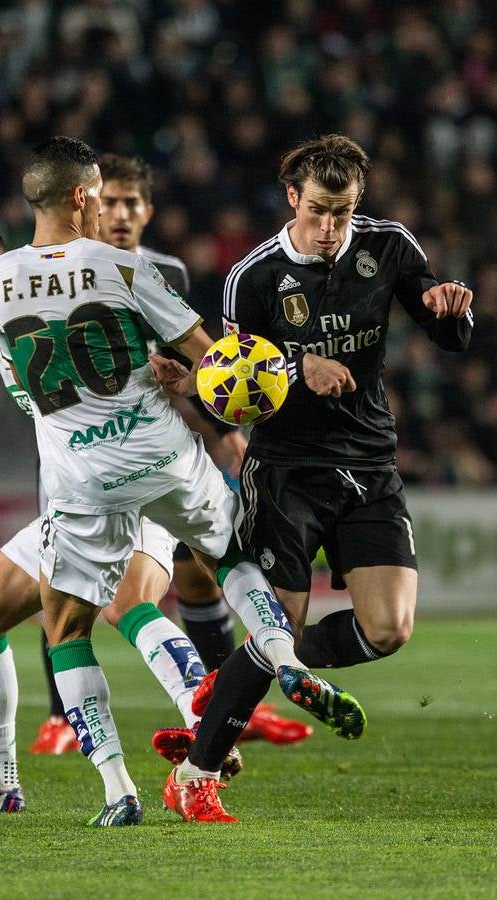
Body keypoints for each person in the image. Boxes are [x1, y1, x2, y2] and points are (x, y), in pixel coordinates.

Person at [0, 136, 366, 824]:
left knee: (66, 630)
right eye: (98, 192)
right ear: (79, 197)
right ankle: (287, 663)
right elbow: (213, 357)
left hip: (78, 477)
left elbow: (23, 385)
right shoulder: (121, 267)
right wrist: (258, 375)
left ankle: (116, 792)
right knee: (234, 558)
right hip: (161, 454)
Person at [172, 132, 474, 809]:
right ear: (291, 199)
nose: (331, 227)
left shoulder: (389, 244)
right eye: (317, 211)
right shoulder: (252, 277)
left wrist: (451, 311)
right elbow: (224, 383)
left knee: (388, 629)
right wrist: (294, 368)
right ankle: (197, 774)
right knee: (280, 615)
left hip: (369, 458)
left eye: (343, 211)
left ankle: (246, 673)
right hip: (286, 466)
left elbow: (446, 333)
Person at [0, 211, 217, 822]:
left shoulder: (68, 294)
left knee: (123, 605)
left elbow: (162, 348)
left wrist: (175, 373)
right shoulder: (4, 336)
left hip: (136, 485)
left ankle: (201, 718)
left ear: (14, 262)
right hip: (73, 501)